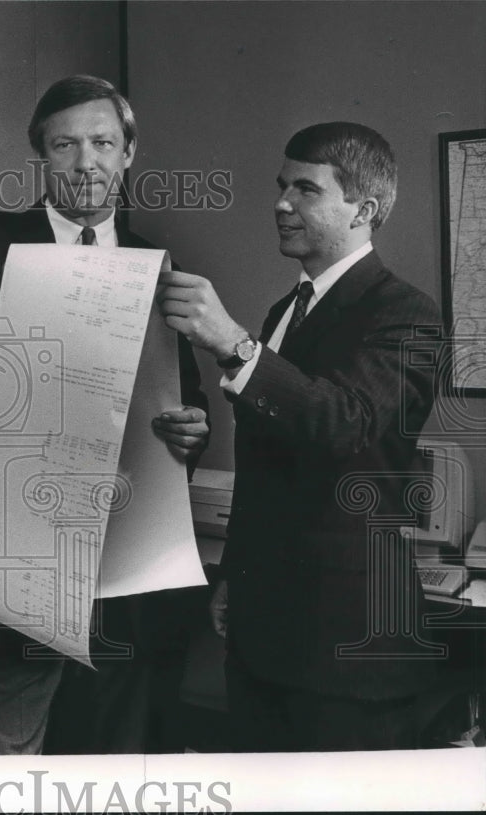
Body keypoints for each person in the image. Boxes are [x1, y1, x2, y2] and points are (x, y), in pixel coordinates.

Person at [0, 74, 210, 755]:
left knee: (112, 765)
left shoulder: (153, 262)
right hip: (17, 553)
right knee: (10, 768)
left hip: (124, 567)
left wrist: (194, 427)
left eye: (103, 142)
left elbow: (183, 396)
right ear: (40, 157)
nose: (86, 161)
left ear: (128, 153)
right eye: (65, 144)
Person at [157, 121, 442, 751]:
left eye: (306, 190)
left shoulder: (407, 312)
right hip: (267, 637)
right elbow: (269, 470)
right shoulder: (285, 310)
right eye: (282, 186)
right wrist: (233, 573)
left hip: (348, 650)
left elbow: (348, 426)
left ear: (363, 210)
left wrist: (233, 343)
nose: (281, 203)